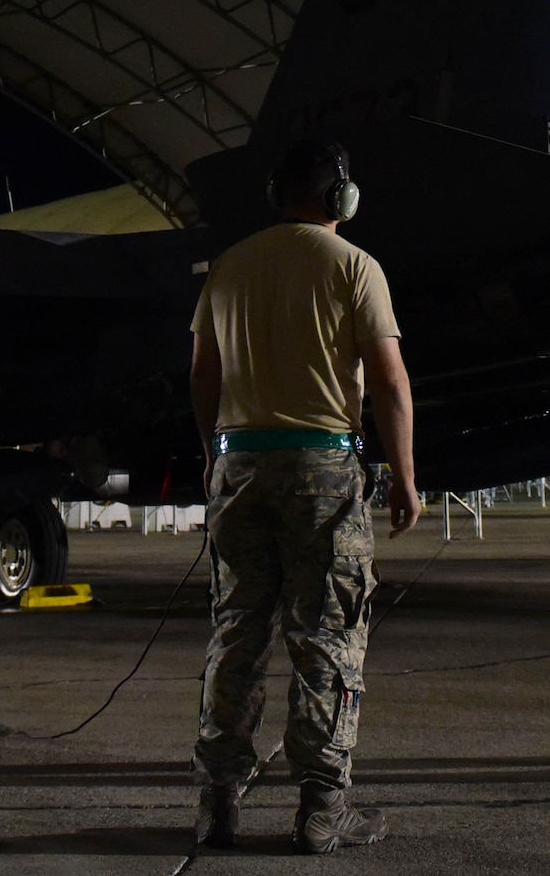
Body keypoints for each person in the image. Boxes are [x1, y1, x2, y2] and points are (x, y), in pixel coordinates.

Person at [189, 138, 423, 853]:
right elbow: (387, 381)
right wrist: (405, 475)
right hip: (321, 466)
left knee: (237, 631)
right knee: (326, 632)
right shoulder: (353, 265)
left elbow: (202, 372)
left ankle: (218, 804)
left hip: (239, 465)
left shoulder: (228, 266)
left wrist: (213, 455)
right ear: (338, 199)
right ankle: (321, 808)